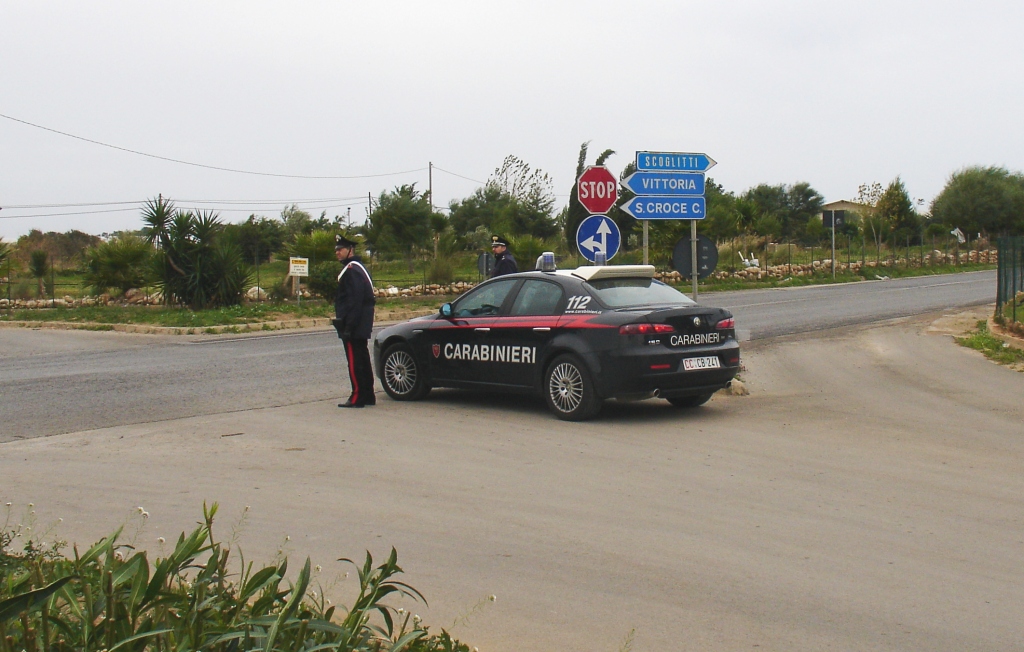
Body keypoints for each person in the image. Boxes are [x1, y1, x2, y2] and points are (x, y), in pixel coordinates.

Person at [333, 233, 376, 408]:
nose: (337, 252)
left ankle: (357, 396)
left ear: (350, 250)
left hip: (354, 324)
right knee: (362, 358)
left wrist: (348, 326)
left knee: (355, 360)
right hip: (360, 323)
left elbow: (354, 301)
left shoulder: (352, 271)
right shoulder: (358, 268)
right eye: (336, 250)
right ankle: (368, 395)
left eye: (340, 249)